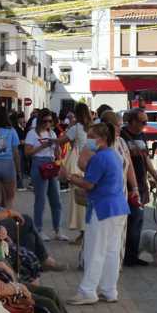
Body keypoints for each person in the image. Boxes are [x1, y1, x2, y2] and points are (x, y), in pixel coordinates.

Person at [61, 123, 130, 305]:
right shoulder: (114, 155)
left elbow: (89, 184)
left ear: (101, 138)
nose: (88, 139)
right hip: (118, 208)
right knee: (111, 251)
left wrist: (69, 177)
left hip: (102, 209)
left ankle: (88, 291)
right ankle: (109, 290)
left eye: (91, 136)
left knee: (95, 251)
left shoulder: (100, 158)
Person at [0, 158, 63, 272]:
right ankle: (42, 260)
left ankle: (32, 266)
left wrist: (8, 212)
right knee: (26, 220)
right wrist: (9, 213)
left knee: (27, 233)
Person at [120, 108, 157, 267]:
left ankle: (132, 254)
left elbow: (146, 159)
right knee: (133, 219)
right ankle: (127, 256)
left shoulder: (141, 136)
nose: (145, 125)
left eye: (146, 122)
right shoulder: (121, 137)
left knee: (137, 221)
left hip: (141, 184)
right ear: (132, 121)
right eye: (143, 122)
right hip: (127, 186)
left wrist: (155, 176)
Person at [24, 109, 66, 241]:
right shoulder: (32, 134)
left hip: (51, 163)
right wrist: (42, 146)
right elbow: (27, 152)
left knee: (56, 199)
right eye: (46, 121)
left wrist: (57, 149)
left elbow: (57, 151)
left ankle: (57, 229)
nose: (48, 123)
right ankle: (38, 229)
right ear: (40, 121)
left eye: (50, 121)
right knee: (40, 200)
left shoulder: (52, 133)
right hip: (39, 163)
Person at [62, 103, 93, 244]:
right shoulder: (93, 128)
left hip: (78, 166)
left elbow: (62, 140)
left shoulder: (76, 128)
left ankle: (83, 233)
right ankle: (88, 231)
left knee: (79, 201)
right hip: (91, 165)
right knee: (89, 199)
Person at [11, 111, 28, 190]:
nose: (23, 120)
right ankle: (19, 184)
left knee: (20, 166)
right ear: (18, 119)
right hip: (18, 148)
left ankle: (19, 183)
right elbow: (19, 140)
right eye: (22, 118)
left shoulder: (21, 127)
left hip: (21, 148)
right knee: (19, 166)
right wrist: (24, 141)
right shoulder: (16, 128)